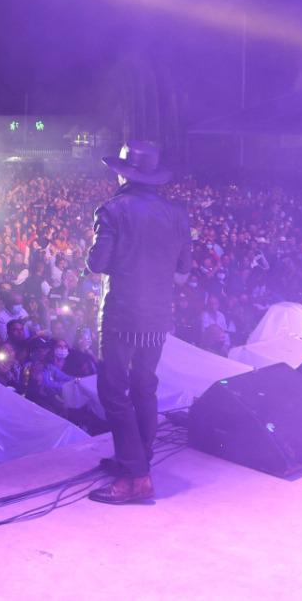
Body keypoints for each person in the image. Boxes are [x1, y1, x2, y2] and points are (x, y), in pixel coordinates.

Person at [86, 141, 191, 505]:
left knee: (114, 393)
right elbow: (184, 269)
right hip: (158, 316)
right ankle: (138, 458)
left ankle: (136, 477)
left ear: (124, 174)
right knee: (145, 387)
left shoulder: (112, 210)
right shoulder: (177, 214)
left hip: (121, 316)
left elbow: (97, 264)